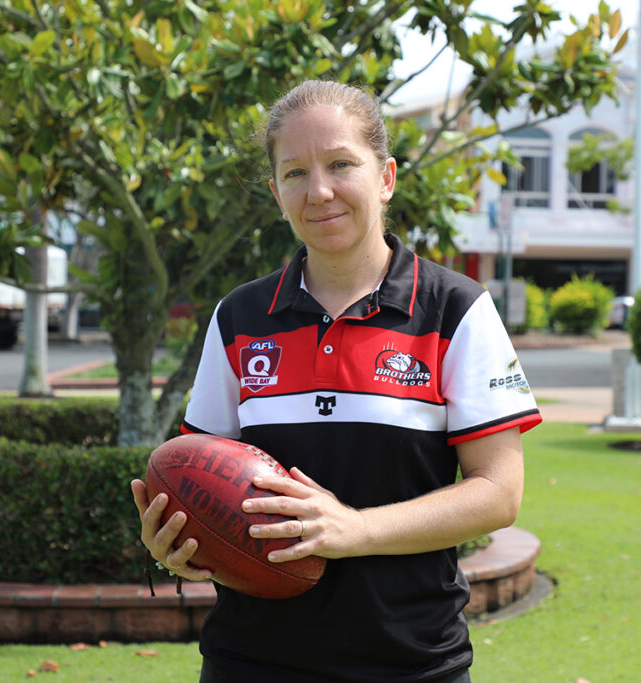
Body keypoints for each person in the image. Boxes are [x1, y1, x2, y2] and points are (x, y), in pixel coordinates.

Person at [131, 80, 542, 682]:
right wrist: (179, 538)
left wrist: (357, 528)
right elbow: (201, 474)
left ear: (386, 177)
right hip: (249, 663)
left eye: (341, 164)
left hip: (412, 664)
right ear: (277, 194)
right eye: (295, 173)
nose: (319, 191)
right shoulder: (239, 317)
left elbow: (498, 493)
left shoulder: (456, 309)